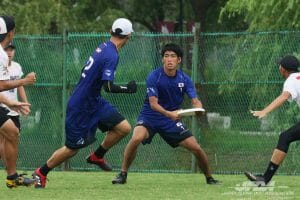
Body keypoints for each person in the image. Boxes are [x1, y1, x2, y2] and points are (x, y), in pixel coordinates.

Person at [32, 18, 136, 188]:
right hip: (81, 106)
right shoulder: (111, 54)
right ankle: (41, 173)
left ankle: (97, 156)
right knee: (72, 149)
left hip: (94, 101)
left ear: (111, 31)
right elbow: (108, 86)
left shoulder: (103, 47)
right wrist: (127, 88)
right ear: (128, 36)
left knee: (123, 128)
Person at [112, 43, 220, 185]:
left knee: (196, 148)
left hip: (171, 120)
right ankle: (123, 174)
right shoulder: (154, 76)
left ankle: (209, 178)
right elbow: (153, 104)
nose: (169, 59)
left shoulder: (184, 79)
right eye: (166, 56)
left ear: (179, 60)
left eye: (173, 56)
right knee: (136, 138)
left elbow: (195, 101)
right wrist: (170, 114)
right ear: (162, 59)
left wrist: (198, 109)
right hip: (150, 116)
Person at [245, 55, 300, 186]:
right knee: (285, 137)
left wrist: (264, 111)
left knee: (285, 137)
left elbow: (284, 97)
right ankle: (265, 179)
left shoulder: (291, 80)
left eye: (280, 65)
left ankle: (265, 179)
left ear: (283, 69)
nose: (279, 67)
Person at [0, 15, 36, 188]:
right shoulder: (0, 54)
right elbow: (1, 85)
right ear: (11, 33)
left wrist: (11, 103)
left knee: (12, 132)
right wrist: (25, 81)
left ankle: (12, 177)